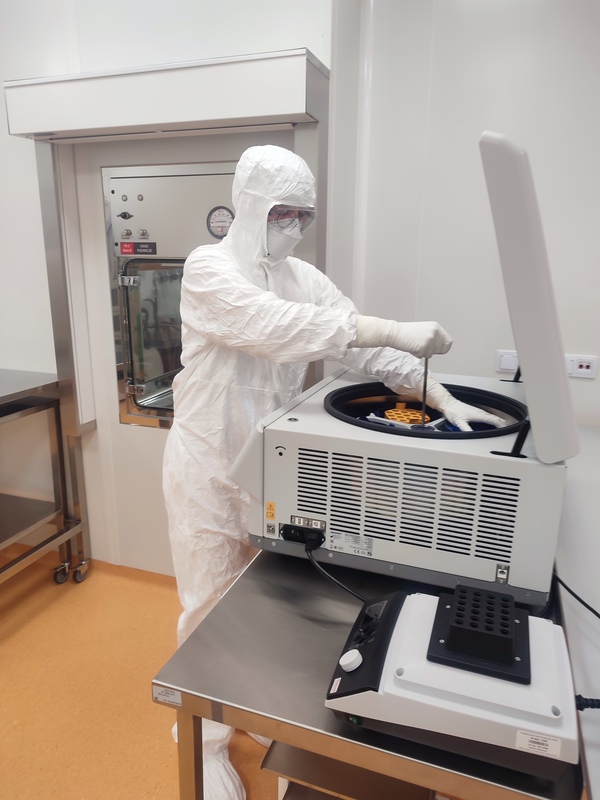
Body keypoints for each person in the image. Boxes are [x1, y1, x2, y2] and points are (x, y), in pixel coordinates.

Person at [162, 144, 504, 799]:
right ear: (251, 205)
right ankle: (202, 743)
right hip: (206, 465)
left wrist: (441, 396)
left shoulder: (304, 277)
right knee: (206, 606)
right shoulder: (208, 268)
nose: (293, 225)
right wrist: (389, 327)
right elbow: (272, 327)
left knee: (261, 604)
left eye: (304, 215)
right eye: (282, 212)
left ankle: (245, 705)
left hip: (270, 469)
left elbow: (368, 349)